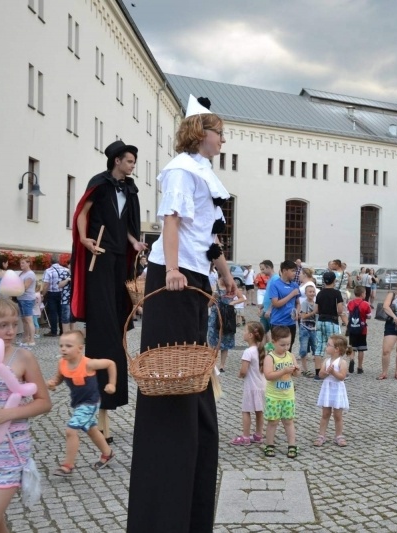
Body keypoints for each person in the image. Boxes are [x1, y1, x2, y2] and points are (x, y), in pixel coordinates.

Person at [127, 95, 237, 533]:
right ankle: (166, 490)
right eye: (219, 132)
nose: (223, 139)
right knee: (171, 372)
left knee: (194, 370)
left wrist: (226, 277)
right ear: (200, 133)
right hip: (173, 279)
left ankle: (194, 463)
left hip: (196, 280)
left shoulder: (206, 174)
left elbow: (209, 240)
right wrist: (170, 268)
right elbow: (170, 222)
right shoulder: (179, 170)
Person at [72, 139, 146, 443]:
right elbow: (81, 213)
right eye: (129, 161)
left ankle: (112, 390)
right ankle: (98, 407)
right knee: (102, 322)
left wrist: (134, 243)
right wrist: (84, 240)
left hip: (118, 256)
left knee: (118, 321)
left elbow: (127, 224)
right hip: (98, 255)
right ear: (117, 160)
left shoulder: (129, 189)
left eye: (133, 162)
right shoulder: (99, 184)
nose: (132, 166)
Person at [0, 294, 51, 533]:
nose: (11, 331)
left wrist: (6, 415)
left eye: (14, 323)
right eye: (2, 325)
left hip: (8, 451)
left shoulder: (21, 357)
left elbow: (43, 402)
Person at [47, 331, 117, 476]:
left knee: (71, 430)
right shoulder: (62, 363)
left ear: (80, 348)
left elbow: (111, 363)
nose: (63, 349)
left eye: (68, 346)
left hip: (90, 403)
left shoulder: (89, 364)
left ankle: (68, 465)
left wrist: (112, 384)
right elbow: (59, 377)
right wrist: (53, 383)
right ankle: (107, 453)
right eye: (61, 345)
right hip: (78, 403)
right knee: (91, 429)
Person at [262, 326, 300, 458]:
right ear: (273, 342)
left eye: (288, 344)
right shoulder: (270, 358)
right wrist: (283, 371)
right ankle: (269, 444)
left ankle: (292, 445)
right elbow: (268, 375)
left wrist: (296, 370)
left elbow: (297, 375)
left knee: (289, 421)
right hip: (273, 396)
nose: (286, 347)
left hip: (288, 395)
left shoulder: (290, 356)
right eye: (282, 344)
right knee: (273, 421)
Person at [230, 322, 266, 446]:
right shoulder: (261, 350)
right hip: (261, 386)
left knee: (246, 411)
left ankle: (245, 436)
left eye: (245, 331)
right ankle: (258, 434)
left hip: (251, 387)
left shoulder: (248, 352)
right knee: (259, 411)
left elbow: (244, 370)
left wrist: (240, 375)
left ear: (250, 335)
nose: (242, 333)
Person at [314, 334, 351, 447]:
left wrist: (333, 372)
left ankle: (339, 436)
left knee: (338, 415)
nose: (326, 346)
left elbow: (342, 377)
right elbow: (320, 374)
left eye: (329, 345)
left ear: (336, 349)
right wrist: (325, 373)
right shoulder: (326, 361)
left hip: (337, 389)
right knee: (325, 413)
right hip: (327, 388)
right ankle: (321, 435)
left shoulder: (342, 362)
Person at [208, 277, 246, 372]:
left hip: (228, 316)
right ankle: (213, 363)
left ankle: (222, 365)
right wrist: (214, 297)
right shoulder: (215, 286)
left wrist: (233, 302)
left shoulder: (232, 287)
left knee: (226, 339)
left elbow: (242, 298)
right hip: (216, 315)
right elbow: (208, 305)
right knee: (213, 339)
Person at [314, 271, 345, 380]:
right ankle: (337, 369)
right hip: (332, 321)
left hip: (320, 320)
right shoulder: (337, 293)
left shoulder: (320, 293)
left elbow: (316, 310)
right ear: (334, 281)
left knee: (319, 345)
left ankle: (318, 372)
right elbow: (340, 310)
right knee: (336, 345)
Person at [266, 260, 301, 350]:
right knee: (277, 349)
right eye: (293, 271)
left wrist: (297, 312)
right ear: (285, 271)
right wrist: (291, 294)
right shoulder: (275, 284)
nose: (295, 273)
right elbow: (276, 304)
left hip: (291, 323)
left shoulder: (295, 285)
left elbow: (298, 303)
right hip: (278, 322)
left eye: (295, 271)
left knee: (288, 349)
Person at [346, 286, 371, 374]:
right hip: (362, 329)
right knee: (361, 349)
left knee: (351, 346)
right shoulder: (366, 304)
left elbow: (348, 314)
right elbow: (369, 316)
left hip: (352, 328)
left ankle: (351, 359)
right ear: (362, 294)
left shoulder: (350, 303)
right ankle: (360, 367)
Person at [42, 259, 70, 337]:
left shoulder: (48, 271)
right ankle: (62, 330)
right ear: (59, 261)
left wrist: (43, 294)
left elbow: (46, 284)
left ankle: (53, 331)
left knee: (52, 313)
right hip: (63, 293)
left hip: (52, 294)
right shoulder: (66, 269)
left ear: (50, 262)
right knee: (62, 312)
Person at [298, 284, 318, 377]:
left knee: (316, 349)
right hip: (304, 328)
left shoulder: (315, 304)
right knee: (303, 349)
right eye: (310, 292)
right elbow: (303, 316)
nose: (312, 293)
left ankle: (317, 368)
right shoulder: (305, 303)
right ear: (305, 293)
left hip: (313, 329)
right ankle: (304, 369)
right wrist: (314, 312)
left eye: (313, 291)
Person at [16, 258, 37, 348]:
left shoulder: (30, 274)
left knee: (29, 320)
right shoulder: (22, 273)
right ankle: (25, 338)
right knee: (24, 320)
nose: (21, 265)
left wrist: (14, 289)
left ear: (29, 263)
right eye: (20, 263)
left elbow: (24, 287)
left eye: (23, 263)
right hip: (21, 298)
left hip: (27, 299)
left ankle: (32, 339)